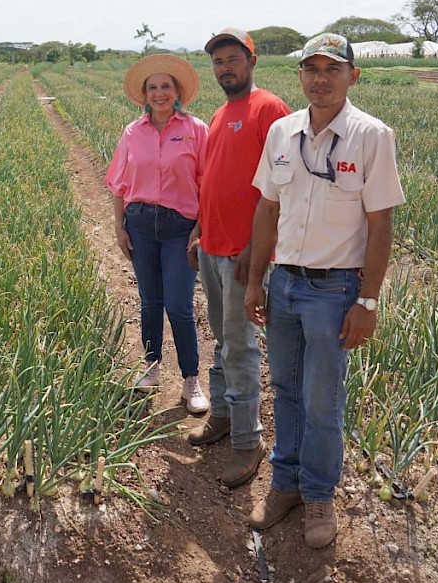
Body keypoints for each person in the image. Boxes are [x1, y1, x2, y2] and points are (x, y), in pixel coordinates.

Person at [243, 32, 405, 548]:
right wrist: (255, 280)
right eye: (311, 70)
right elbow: (267, 208)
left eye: (332, 70)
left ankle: (318, 494)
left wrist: (368, 300)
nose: (320, 79)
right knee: (286, 391)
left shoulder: (372, 135)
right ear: (300, 77)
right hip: (285, 283)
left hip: (334, 292)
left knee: (322, 400)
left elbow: (380, 225)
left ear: (352, 76)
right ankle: (285, 483)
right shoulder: (282, 133)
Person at [186, 28, 291, 488]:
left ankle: (248, 442)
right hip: (212, 247)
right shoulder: (219, 113)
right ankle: (223, 417)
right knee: (221, 336)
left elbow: (285, 187)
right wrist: (199, 230)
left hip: (242, 252)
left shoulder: (269, 109)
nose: (224, 68)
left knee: (240, 344)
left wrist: (257, 248)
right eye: (217, 62)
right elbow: (212, 178)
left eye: (233, 59)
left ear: (252, 61)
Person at [105, 54, 210, 414]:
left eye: (166, 86)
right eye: (153, 87)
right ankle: (151, 367)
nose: (160, 93)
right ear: (145, 95)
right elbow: (118, 184)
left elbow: (207, 184)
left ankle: (191, 379)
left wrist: (200, 228)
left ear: (177, 91)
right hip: (140, 223)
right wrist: (119, 226)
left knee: (179, 305)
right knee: (150, 301)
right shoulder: (133, 132)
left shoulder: (196, 129)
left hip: (181, 227)